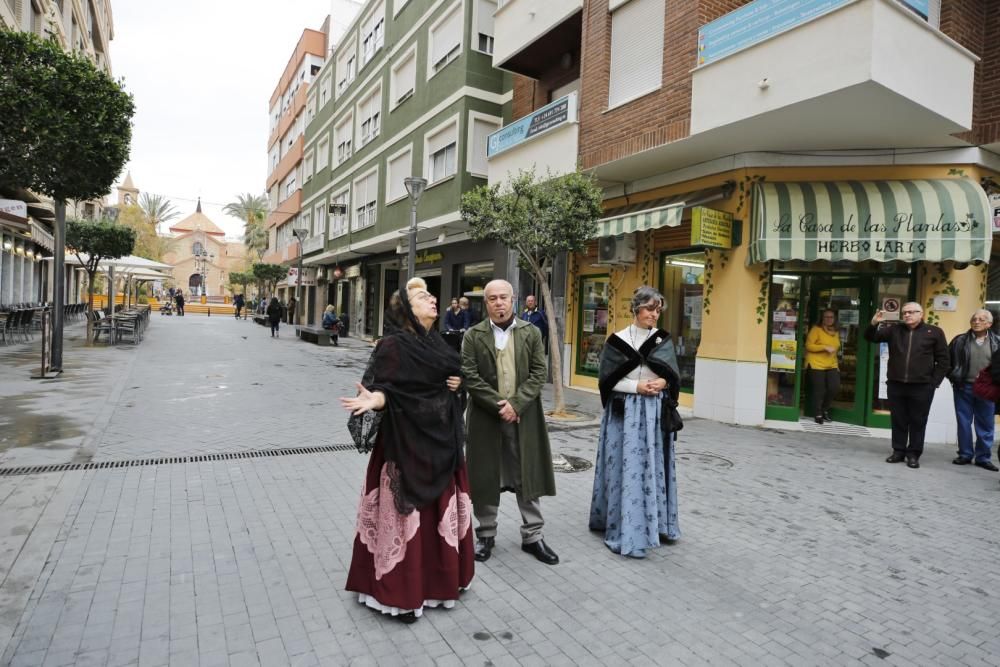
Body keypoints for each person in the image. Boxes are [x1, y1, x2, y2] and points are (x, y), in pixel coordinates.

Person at [339, 277, 471, 624]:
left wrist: (459, 385)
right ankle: (401, 593)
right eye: (423, 297)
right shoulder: (393, 345)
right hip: (404, 446)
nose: (432, 300)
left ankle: (439, 582)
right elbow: (385, 388)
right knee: (406, 518)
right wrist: (376, 400)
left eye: (430, 296)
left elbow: (450, 381)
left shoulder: (439, 342)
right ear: (406, 311)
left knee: (435, 518)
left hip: (440, 444)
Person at [462, 279, 558, 565]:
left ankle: (533, 536)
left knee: (525, 472)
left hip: (523, 416)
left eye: (503, 297)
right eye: (492, 298)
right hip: (485, 417)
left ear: (513, 299)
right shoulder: (473, 335)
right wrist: (498, 404)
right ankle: (486, 534)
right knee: (485, 474)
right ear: (486, 302)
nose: (499, 303)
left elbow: (540, 373)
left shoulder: (530, 333)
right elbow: (469, 375)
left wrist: (515, 404)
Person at [591, 286, 681, 558]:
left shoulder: (662, 340)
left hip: (654, 412)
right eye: (650, 308)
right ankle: (625, 526)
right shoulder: (617, 341)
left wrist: (663, 381)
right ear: (636, 309)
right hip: (624, 413)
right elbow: (606, 381)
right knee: (625, 464)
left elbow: (673, 376)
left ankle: (657, 524)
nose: (654, 314)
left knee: (652, 466)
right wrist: (636, 387)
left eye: (658, 310)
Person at [864, 302, 949, 469]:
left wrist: (933, 383)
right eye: (905, 313)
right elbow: (871, 338)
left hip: (922, 386)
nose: (907, 315)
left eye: (912, 312)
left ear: (921, 314)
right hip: (896, 384)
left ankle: (914, 454)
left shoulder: (934, 332)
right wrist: (874, 323)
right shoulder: (894, 330)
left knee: (918, 421)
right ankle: (898, 451)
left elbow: (944, 360)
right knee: (898, 420)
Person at [948, 309, 1000, 471]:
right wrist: (952, 377)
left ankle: (983, 457)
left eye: (981, 319)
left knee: (985, 423)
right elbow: (948, 361)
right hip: (964, 386)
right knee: (963, 421)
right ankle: (965, 454)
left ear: (989, 324)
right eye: (974, 319)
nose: (976, 321)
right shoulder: (960, 340)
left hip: (987, 389)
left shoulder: (997, 341)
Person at [805, 309, 841, 424]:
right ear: (822, 318)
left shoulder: (835, 332)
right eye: (826, 317)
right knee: (819, 390)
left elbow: (835, 350)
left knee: (834, 387)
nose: (829, 319)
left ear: (834, 319)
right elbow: (808, 346)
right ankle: (818, 413)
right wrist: (824, 347)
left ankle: (824, 409)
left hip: (831, 364)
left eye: (831, 317)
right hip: (816, 364)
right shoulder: (816, 330)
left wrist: (837, 365)